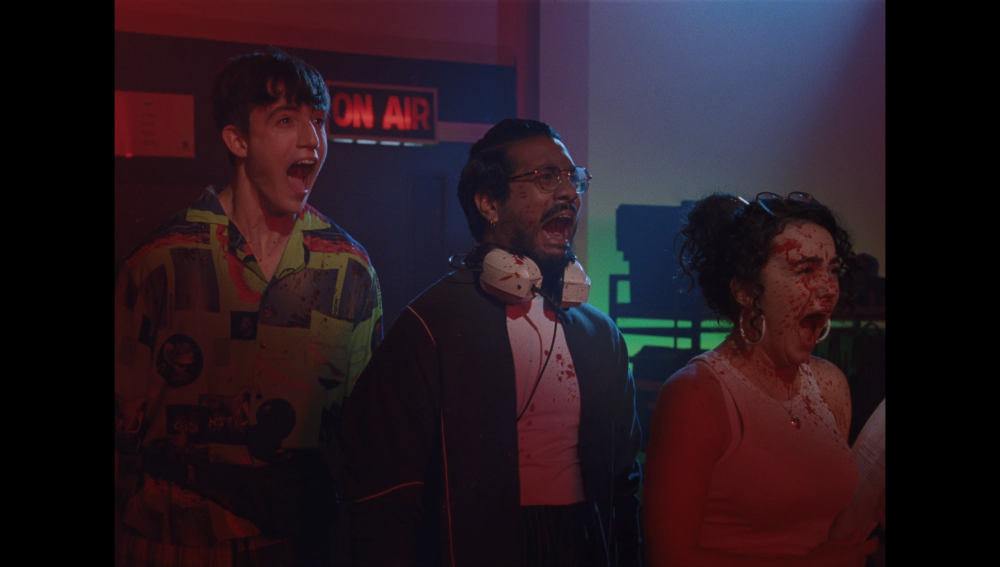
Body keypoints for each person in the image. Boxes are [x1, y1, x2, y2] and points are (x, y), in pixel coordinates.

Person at [114, 48, 383, 566]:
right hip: (172, 541)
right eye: (286, 120)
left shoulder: (348, 270)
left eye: (319, 121)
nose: (312, 139)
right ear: (237, 140)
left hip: (296, 541)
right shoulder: (161, 262)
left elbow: (364, 434)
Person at [341, 119, 642, 567]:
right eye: (546, 177)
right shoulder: (431, 325)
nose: (569, 193)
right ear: (489, 204)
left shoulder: (601, 336)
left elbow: (624, 485)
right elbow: (383, 496)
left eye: (572, 178)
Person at [642, 192, 879, 567]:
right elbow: (668, 557)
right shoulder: (697, 393)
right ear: (747, 291)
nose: (828, 287)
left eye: (833, 269)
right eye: (805, 270)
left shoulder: (830, 385)